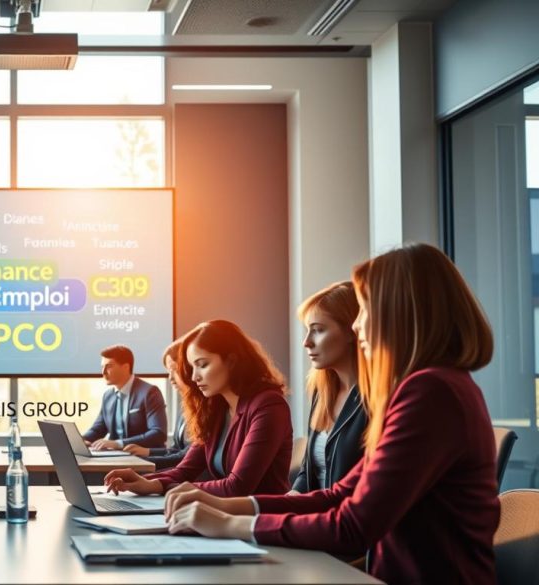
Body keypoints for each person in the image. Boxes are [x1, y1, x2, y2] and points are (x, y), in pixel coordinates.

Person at [163, 244, 500, 584]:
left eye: (365, 310)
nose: (356, 325)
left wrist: (230, 524)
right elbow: (338, 494)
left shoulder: (431, 392)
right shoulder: (433, 386)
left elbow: (354, 526)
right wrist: (224, 507)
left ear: (399, 313)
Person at [105, 320, 292, 497]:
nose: (194, 377)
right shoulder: (217, 410)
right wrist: (145, 481)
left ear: (232, 361)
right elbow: (185, 470)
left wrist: (170, 488)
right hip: (222, 515)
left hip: (262, 521)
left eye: (202, 365)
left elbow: (238, 486)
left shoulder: (268, 405)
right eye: (191, 367)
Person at [291, 281, 368, 493]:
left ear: (351, 331)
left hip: (342, 520)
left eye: (318, 330)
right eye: (307, 331)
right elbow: (308, 470)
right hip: (315, 515)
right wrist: (292, 496)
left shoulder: (375, 399)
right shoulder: (322, 390)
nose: (306, 342)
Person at [123, 340, 194, 470]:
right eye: (168, 371)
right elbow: (176, 450)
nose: (171, 378)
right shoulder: (187, 406)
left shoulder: (205, 410)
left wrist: (144, 461)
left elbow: (186, 456)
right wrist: (148, 452)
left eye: (174, 369)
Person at [82, 345, 168, 450]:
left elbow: (158, 433)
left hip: (146, 458)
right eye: (102, 367)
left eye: (109, 366)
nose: (103, 372)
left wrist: (119, 443)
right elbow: (98, 429)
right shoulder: (108, 396)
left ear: (126, 367)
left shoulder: (149, 392)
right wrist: (80, 440)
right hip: (117, 457)